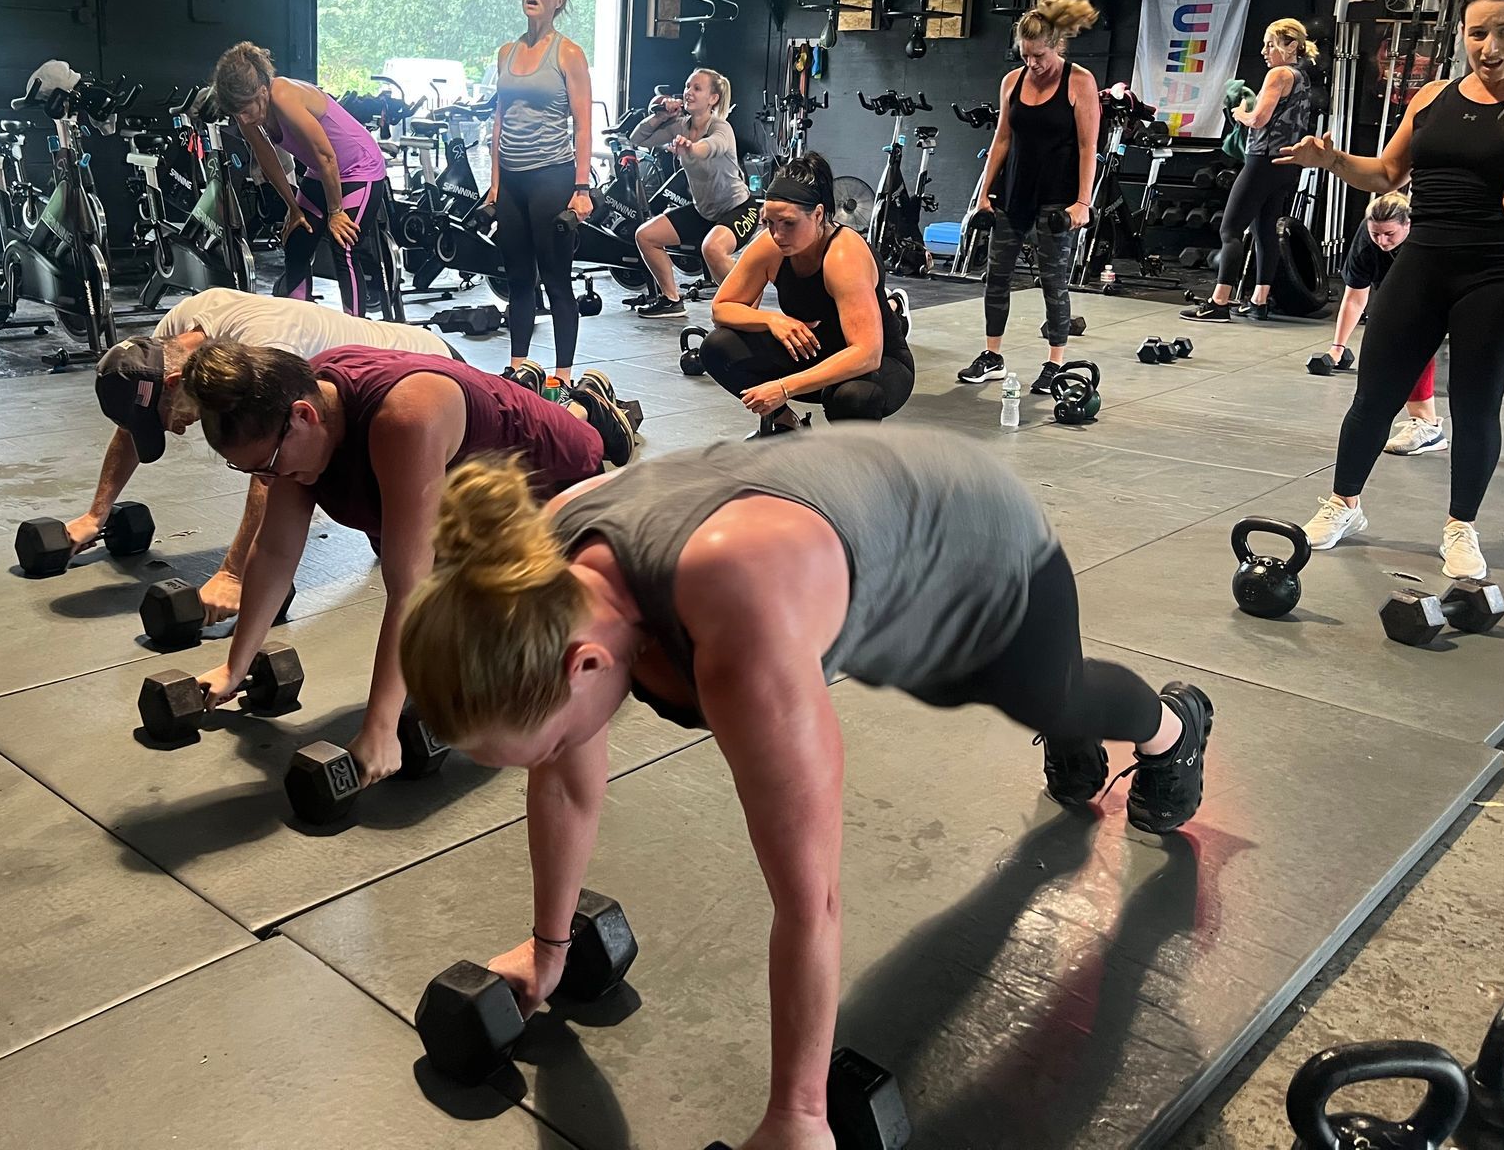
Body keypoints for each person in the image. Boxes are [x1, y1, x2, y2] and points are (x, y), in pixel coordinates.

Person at [397, 428, 1213, 1150]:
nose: (558, 755)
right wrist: (547, 952)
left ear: (585, 666)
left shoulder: (737, 615)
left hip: (975, 540)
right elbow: (566, 780)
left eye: (552, 738)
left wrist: (798, 1115)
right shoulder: (539, 580)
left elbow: (809, 898)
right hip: (851, 530)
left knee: (1051, 697)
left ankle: (1174, 726)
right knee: (949, 689)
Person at [184, 340, 631, 783]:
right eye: (251, 471)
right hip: (461, 503)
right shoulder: (296, 403)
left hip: (553, 494)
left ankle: (588, 413)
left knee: (506, 681)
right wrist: (233, 668)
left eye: (268, 464)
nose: (267, 479)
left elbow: (410, 588)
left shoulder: (406, 419)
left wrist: (381, 729)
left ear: (305, 416)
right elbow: (277, 551)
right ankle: (579, 409)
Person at [1286, 0, 1504, 580]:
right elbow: (1387, 173)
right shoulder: (1433, 96)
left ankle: (1460, 526)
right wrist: (1331, 160)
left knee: (1475, 406)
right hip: (1423, 261)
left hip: (1497, 273)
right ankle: (1344, 503)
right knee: (1374, 394)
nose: (1490, 47)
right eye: (1478, 33)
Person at [78, 289, 456, 624]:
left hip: (426, 376)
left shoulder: (264, 350)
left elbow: (271, 469)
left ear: (176, 383)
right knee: (385, 535)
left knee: (420, 563)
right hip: (354, 403)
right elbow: (132, 421)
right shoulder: (170, 340)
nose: (176, 430)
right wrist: (97, 514)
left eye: (167, 419)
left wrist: (235, 575)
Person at [700, 153, 912, 438]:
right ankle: (785, 424)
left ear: (819, 214)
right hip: (813, 350)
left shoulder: (843, 254)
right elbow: (722, 308)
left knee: (852, 395)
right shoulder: (771, 246)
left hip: (878, 363)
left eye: (788, 223)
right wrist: (772, 321)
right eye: (769, 223)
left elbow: (867, 354)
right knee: (718, 346)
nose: (777, 234)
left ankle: (859, 465)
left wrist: (785, 387)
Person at [957, 0, 1101, 396]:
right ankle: (992, 356)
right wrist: (983, 193)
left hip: (1057, 199)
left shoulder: (1080, 81)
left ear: (1056, 45)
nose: (1032, 63)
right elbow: (1002, 139)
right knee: (996, 278)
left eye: (1039, 55)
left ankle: (1055, 362)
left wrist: (1083, 204)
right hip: (1013, 194)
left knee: (1053, 283)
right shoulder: (1012, 82)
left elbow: (1089, 147)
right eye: (1025, 55)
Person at [214, 41, 392, 316]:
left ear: (263, 91)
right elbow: (268, 160)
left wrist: (336, 212)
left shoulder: (284, 95)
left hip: (359, 167)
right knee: (297, 239)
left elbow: (327, 156)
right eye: (238, 113)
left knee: (343, 243)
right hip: (322, 172)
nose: (244, 119)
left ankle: (355, 332)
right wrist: (293, 209)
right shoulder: (245, 113)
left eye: (247, 110)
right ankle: (300, 323)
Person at [488, 0, 594, 386]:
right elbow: (499, 119)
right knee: (516, 278)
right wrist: (494, 187)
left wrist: (582, 188)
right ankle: (518, 370)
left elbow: (584, 126)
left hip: (552, 177)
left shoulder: (568, 54)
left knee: (555, 279)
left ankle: (561, 376)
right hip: (512, 182)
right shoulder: (506, 52)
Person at [1184, 18, 1319, 323]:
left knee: (1230, 229)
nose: (1264, 51)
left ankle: (1219, 302)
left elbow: (1258, 119)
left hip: (1261, 160)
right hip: (1286, 164)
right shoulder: (1302, 77)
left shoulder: (1279, 74)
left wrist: (1240, 113)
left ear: (1291, 46)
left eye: (1271, 44)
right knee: (1264, 229)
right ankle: (1259, 300)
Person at [628, 68, 759, 317]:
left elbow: (711, 147)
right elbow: (638, 139)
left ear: (713, 99)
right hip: (704, 211)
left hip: (739, 209)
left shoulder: (722, 127)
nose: (689, 92)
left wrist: (691, 147)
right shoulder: (679, 125)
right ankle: (672, 299)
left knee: (712, 249)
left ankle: (747, 305)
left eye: (697, 88)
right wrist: (659, 117)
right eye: (688, 86)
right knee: (646, 236)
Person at [1322, 193, 1446, 456]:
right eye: (1376, 233)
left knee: (1415, 338)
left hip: (1452, 286)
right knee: (1403, 339)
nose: (1381, 241)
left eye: (1389, 234)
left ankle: (1428, 426)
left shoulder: (1428, 236)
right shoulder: (1367, 241)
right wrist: (1338, 346)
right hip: (1404, 291)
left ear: (1408, 225)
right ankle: (1427, 426)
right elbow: (1355, 297)